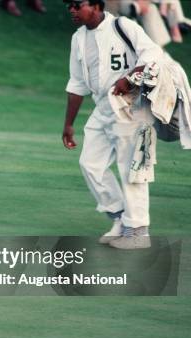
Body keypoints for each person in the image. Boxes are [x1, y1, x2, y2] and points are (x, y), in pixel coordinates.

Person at [61, 0, 163, 249]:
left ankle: (138, 232)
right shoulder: (78, 38)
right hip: (103, 108)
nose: (72, 10)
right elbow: (76, 83)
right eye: (69, 6)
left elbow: (153, 54)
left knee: (132, 169)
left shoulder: (122, 26)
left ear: (96, 5)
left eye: (77, 5)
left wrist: (130, 78)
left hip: (133, 107)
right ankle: (119, 217)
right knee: (90, 164)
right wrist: (68, 125)